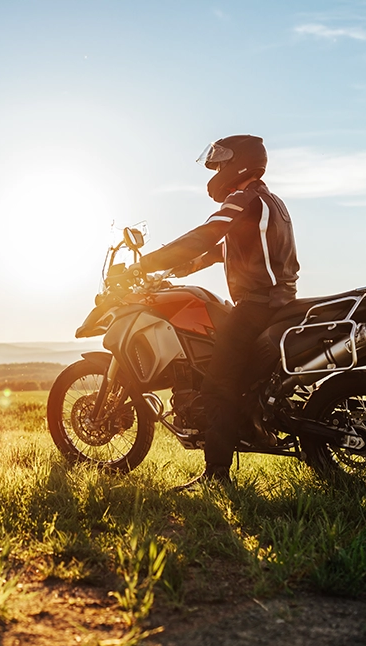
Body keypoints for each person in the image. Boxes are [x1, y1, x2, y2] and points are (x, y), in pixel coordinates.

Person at [119, 135, 300, 489]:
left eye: (220, 164)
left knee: (217, 386)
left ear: (239, 164)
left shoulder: (244, 198)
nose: (216, 170)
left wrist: (146, 263)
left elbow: (205, 236)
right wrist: (173, 271)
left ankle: (217, 476)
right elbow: (221, 250)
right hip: (277, 301)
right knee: (235, 376)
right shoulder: (268, 201)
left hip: (257, 305)